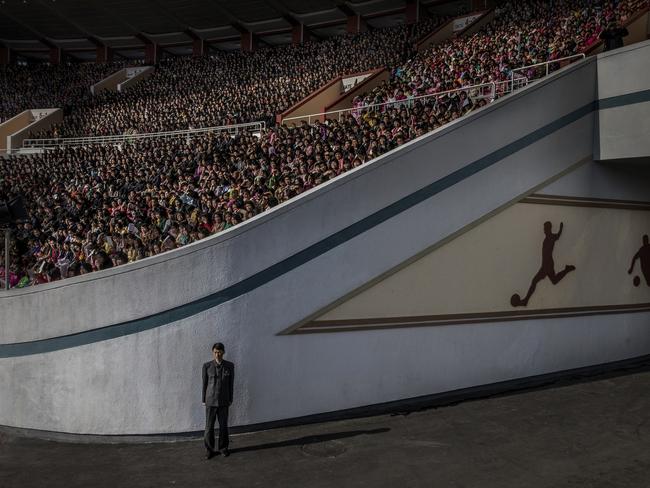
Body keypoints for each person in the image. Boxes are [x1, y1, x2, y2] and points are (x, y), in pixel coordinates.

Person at [202, 342, 235, 459]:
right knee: (209, 427)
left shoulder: (230, 366)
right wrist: (203, 399)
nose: (217, 354)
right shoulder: (206, 366)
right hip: (210, 401)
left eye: (219, 352)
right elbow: (204, 384)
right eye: (215, 352)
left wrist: (230, 398)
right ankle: (209, 450)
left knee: (223, 426)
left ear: (223, 352)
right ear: (213, 352)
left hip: (224, 401)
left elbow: (231, 384)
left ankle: (223, 448)